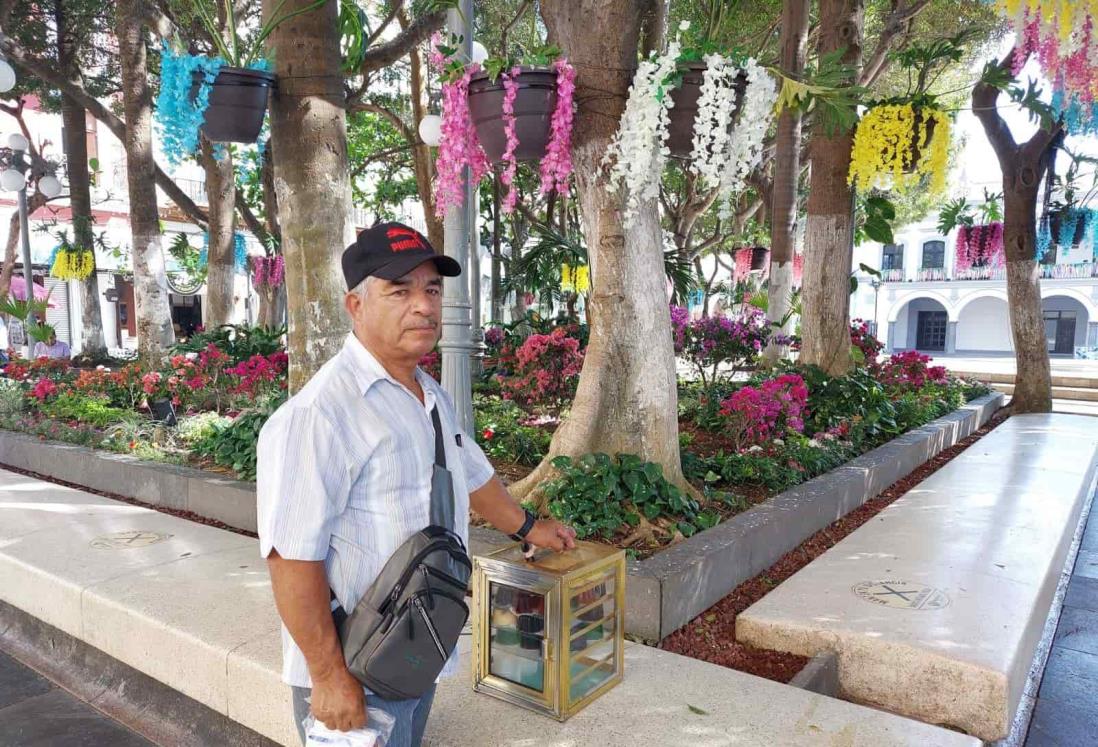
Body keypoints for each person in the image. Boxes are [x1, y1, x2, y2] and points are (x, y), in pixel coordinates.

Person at [257, 222, 576, 747]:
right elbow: (291, 558)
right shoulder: (319, 416)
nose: (424, 306)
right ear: (355, 306)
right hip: (355, 663)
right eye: (399, 291)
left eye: (431, 289)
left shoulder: (429, 395)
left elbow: (471, 475)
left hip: (415, 649)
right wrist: (329, 677)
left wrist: (530, 528)